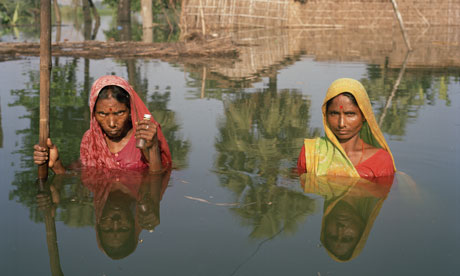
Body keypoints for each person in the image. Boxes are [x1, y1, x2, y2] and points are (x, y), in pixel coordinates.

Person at [33, 75, 171, 173]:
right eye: (103, 114)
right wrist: (56, 164)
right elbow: (80, 176)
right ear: (93, 114)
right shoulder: (91, 139)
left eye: (119, 113)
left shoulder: (144, 136)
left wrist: (152, 148)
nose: (112, 123)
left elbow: (156, 181)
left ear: (130, 111)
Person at [297, 78, 395, 178]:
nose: (341, 124)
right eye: (334, 113)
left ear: (364, 116)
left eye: (350, 114)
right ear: (325, 115)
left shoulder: (380, 160)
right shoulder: (311, 153)